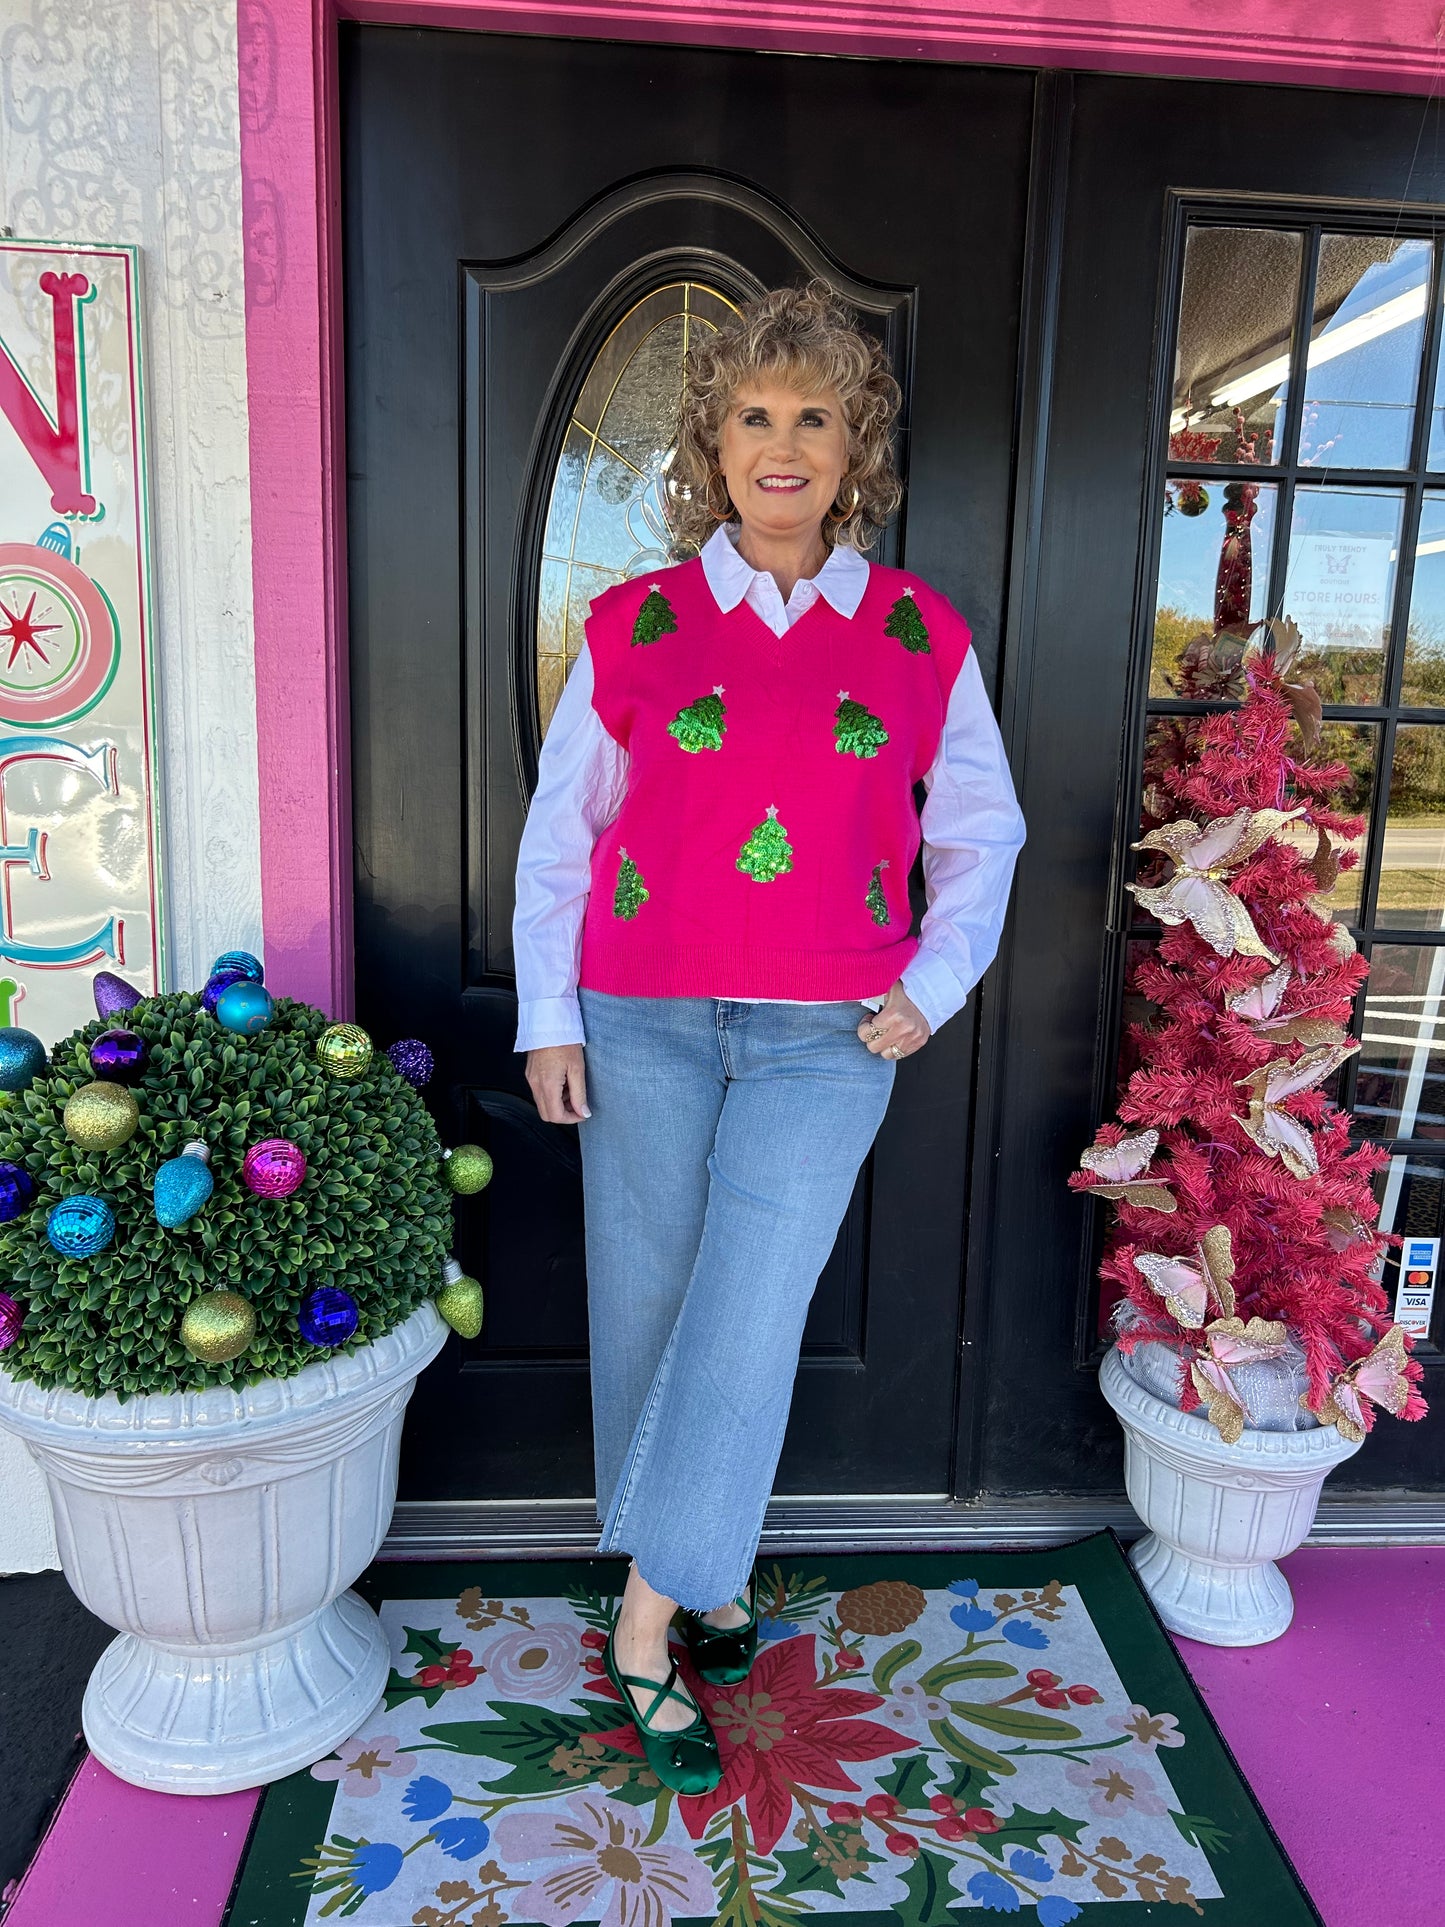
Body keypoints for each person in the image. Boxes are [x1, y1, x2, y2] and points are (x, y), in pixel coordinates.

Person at [512, 279, 1025, 1794]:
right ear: (713, 445)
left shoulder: (919, 632)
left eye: (814, 416)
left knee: (746, 1305)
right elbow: (562, 835)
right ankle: (713, 1579)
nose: (782, 445)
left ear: (852, 445)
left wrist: (931, 986)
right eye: (753, 416)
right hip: (642, 1012)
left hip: (826, 1038)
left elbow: (979, 833)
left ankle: (645, 1621)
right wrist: (549, 1011)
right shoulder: (635, 624)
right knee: (653, 1301)